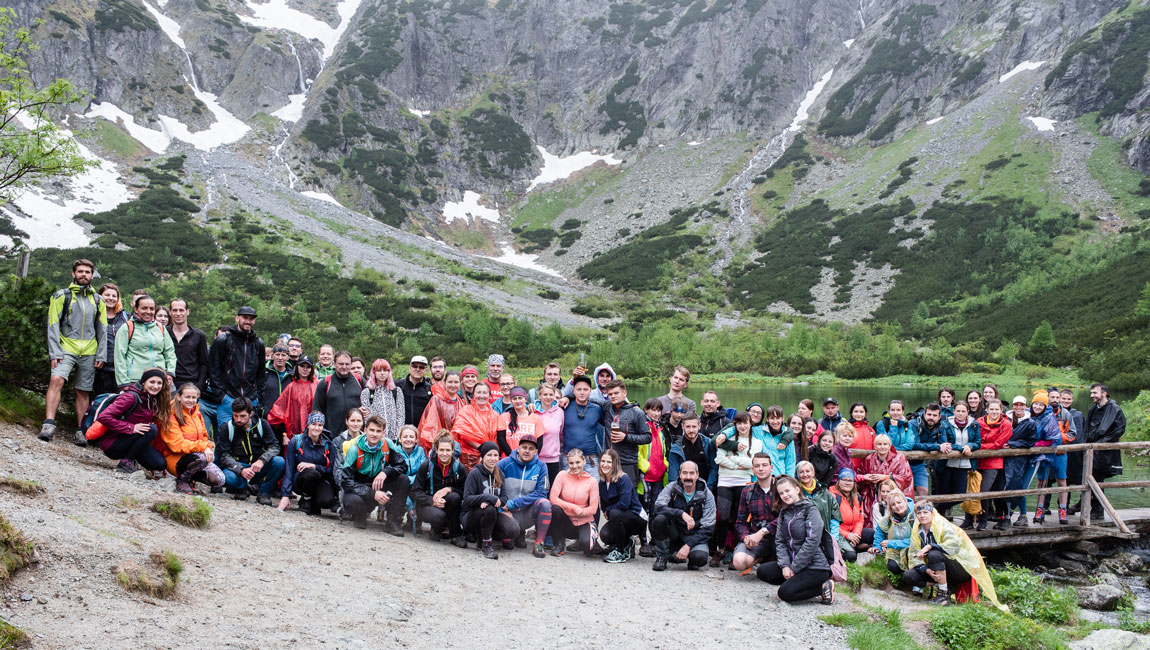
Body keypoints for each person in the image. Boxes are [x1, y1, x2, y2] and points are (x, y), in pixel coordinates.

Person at [41, 259, 108, 442]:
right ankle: (49, 423)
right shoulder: (61, 296)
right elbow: (53, 325)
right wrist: (55, 351)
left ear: (92, 275)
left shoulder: (98, 300)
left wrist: (101, 353)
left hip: (89, 349)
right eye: (80, 271)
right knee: (56, 379)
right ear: (73, 274)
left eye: (87, 272)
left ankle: (81, 430)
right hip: (66, 347)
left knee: (83, 390)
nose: (84, 275)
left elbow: (102, 329)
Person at [904, 502, 1003, 608]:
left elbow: (953, 546)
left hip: (959, 568)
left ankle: (943, 594)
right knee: (908, 576)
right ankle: (946, 585)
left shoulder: (943, 525)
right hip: (935, 568)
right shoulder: (917, 531)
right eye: (919, 513)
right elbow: (913, 555)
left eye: (925, 512)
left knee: (934, 554)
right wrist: (927, 571)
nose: (922, 515)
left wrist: (929, 546)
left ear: (932, 513)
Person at [756, 475, 834, 604]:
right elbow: (780, 541)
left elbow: (812, 542)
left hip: (815, 566)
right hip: (792, 562)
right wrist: (785, 565)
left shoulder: (810, 509)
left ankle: (823, 587)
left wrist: (794, 568)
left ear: (797, 489)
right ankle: (797, 582)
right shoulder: (784, 512)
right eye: (781, 493)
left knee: (785, 593)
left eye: (787, 491)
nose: (785, 495)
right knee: (763, 571)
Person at [336, 415, 410, 534]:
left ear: (383, 433)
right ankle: (360, 515)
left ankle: (393, 521)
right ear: (365, 430)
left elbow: (402, 466)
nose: (374, 434)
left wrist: (386, 472)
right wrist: (373, 494)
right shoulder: (354, 449)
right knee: (352, 501)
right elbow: (346, 482)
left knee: (403, 480)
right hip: (360, 488)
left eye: (378, 431)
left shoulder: (387, 445)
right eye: (371, 430)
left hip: (378, 483)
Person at [91, 367, 170, 475]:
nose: (155, 386)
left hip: (130, 439)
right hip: (113, 443)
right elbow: (104, 417)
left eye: (159, 383)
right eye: (152, 382)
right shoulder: (130, 397)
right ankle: (126, 462)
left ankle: (131, 458)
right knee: (151, 429)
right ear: (143, 382)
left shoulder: (150, 398)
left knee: (160, 464)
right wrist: (131, 428)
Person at [711, 411, 760, 566]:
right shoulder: (727, 440)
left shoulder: (757, 442)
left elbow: (753, 464)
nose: (742, 426)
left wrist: (732, 460)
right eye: (739, 423)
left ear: (751, 424)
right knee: (723, 517)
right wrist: (738, 465)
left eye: (745, 423)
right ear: (735, 425)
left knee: (740, 519)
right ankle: (720, 550)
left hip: (744, 482)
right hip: (725, 481)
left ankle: (738, 551)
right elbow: (718, 458)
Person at [216, 397, 285, 505]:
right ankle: (242, 488)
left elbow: (275, 447)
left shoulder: (262, 424)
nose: (238, 419)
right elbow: (224, 456)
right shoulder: (227, 427)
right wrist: (241, 469)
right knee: (229, 477)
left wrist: (262, 460)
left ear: (251, 414)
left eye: (242, 416)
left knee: (279, 462)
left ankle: (263, 492)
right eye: (235, 415)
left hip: (257, 466)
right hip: (238, 464)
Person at [650, 460, 715, 572]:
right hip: (674, 533)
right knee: (659, 520)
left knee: (700, 558)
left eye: (691, 473)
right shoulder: (672, 488)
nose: (688, 477)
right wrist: (681, 514)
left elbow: (708, 528)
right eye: (685, 473)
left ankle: (690, 557)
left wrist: (688, 546)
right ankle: (662, 556)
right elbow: (657, 508)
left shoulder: (706, 494)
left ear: (697, 475)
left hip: (694, 534)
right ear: (680, 474)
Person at [207, 306, 265, 429]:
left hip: (251, 399)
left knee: (249, 440)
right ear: (237, 318)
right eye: (245, 318)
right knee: (225, 438)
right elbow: (214, 368)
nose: (248, 321)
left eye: (251, 319)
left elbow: (260, 373)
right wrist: (221, 396)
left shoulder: (258, 344)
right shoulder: (224, 340)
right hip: (228, 399)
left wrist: (259, 398)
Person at [161, 382, 225, 493]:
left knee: (220, 480)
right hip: (176, 457)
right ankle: (183, 479)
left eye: (194, 397)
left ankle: (191, 476)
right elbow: (177, 444)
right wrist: (204, 448)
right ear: (179, 397)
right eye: (187, 397)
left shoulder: (197, 413)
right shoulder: (171, 414)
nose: (191, 400)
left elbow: (205, 436)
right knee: (202, 458)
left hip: (195, 455)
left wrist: (207, 447)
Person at [462, 442, 521, 559]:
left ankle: (483, 535)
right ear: (482, 457)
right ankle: (486, 544)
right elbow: (467, 499)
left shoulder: (500, 474)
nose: (493, 459)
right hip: (471, 516)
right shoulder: (475, 474)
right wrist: (488, 498)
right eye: (489, 455)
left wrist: (492, 501)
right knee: (489, 509)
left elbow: (504, 498)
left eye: (495, 455)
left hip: (492, 513)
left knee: (513, 529)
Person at [497, 435, 552, 557]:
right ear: (518, 448)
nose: (527, 451)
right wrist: (500, 509)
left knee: (545, 503)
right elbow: (493, 488)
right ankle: (513, 534)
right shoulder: (504, 463)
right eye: (524, 447)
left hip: (527, 513)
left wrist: (514, 503)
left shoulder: (541, 466)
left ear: (536, 451)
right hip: (508, 512)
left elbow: (542, 492)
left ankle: (539, 543)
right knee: (508, 545)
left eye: (531, 448)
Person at [413, 432, 469, 547]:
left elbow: (466, 492)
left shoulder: (459, 468)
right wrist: (432, 501)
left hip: (450, 506)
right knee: (439, 516)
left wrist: (450, 489)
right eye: (441, 450)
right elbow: (415, 491)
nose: (444, 454)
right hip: (428, 505)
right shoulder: (426, 466)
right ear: (436, 450)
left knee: (454, 497)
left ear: (453, 450)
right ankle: (436, 529)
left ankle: (455, 535)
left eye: (448, 450)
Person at [277, 412, 339, 515]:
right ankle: (305, 498)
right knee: (311, 474)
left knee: (327, 501)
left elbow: (330, 470)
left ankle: (312, 501)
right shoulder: (296, 441)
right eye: (313, 424)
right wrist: (285, 495)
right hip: (300, 480)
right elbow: (289, 469)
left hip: (320, 479)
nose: (316, 428)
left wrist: (314, 466)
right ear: (308, 425)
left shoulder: (328, 445)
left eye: (320, 425)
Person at [1082, 383, 1126, 521]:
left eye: (1095, 393)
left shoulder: (1114, 409)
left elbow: (1119, 430)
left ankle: (1098, 511)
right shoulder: (1093, 410)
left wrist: (1101, 444)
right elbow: (1087, 430)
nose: (1092, 395)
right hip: (1091, 451)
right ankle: (1085, 505)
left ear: (1104, 393)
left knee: (1098, 479)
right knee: (1089, 478)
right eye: (1091, 393)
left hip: (1105, 452)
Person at [113, 294, 176, 390]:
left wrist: (170, 372)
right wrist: (123, 383)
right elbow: (119, 357)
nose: (148, 312)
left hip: (159, 379)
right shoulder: (127, 327)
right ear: (136, 309)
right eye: (144, 308)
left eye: (151, 309)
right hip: (135, 380)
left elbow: (170, 352)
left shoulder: (160, 327)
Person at [1034, 388, 1075, 525]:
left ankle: (1062, 509)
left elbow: (1073, 434)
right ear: (1048, 398)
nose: (1055, 400)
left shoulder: (1066, 414)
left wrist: (1057, 438)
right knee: (1041, 480)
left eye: (1058, 397)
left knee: (1062, 481)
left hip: (1060, 453)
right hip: (1044, 453)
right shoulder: (1040, 414)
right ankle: (1040, 508)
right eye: (1052, 397)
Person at [597, 449, 645, 563]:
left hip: (637, 517)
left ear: (615, 464)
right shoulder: (602, 482)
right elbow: (603, 504)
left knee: (615, 513)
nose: (605, 464)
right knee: (605, 535)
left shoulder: (623, 479)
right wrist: (606, 510)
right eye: (603, 461)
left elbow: (624, 504)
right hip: (619, 518)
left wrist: (608, 511)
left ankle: (620, 551)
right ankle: (627, 543)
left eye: (609, 462)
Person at [549, 448, 600, 557]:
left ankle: (588, 539)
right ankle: (559, 543)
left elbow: (594, 508)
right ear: (567, 463)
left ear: (584, 461)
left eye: (578, 462)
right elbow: (553, 498)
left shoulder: (592, 481)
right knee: (555, 509)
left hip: (584, 521)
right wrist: (574, 508)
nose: (574, 466)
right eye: (571, 463)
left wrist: (581, 511)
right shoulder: (562, 475)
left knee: (588, 551)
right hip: (566, 521)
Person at [731, 452, 777, 572]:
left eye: (764, 465)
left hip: (780, 537)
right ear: (753, 469)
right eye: (757, 466)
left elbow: (787, 517)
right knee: (739, 562)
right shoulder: (747, 492)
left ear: (771, 467)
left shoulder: (781, 487)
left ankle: (771, 558)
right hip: (757, 538)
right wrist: (746, 537)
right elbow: (740, 522)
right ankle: (761, 558)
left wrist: (763, 532)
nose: (761, 469)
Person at [1001, 395, 1041, 529]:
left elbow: (1031, 441)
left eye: (1021, 405)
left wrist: (1012, 444)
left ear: (1025, 406)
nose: (1018, 407)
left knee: (1017, 486)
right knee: (1003, 486)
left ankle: (1012, 515)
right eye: (1016, 405)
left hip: (1020, 460)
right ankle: (1003, 515)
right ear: (1012, 406)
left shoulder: (1030, 423)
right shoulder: (1005, 419)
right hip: (1004, 459)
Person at [603, 380, 651, 485]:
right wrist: (568, 397)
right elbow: (588, 399)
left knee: (628, 498)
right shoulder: (607, 407)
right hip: (609, 463)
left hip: (628, 464)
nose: (613, 396)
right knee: (609, 497)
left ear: (624, 393)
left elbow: (647, 437)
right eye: (610, 394)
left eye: (616, 393)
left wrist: (626, 437)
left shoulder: (637, 412)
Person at [941, 402, 980, 523]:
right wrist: (961, 448)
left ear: (968, 412)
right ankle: (937, 519)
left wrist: (970, 445)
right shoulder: (946, 423)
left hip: (964, 465)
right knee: (943, 492)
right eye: (958, 411)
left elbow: (977, 442)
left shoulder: (974, 424)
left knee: (961, 494)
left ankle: (934, 511)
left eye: (963, 411)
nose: (960, 413)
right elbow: (945, 441)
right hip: (947, 465)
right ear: (954, 411)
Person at [976, 399, 1011, 531]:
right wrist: (980, 446)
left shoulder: (1006, 424)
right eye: (992, 409)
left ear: (1001, 410)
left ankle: (984, 521)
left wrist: (981, 447)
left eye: (997, 409)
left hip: (994, 462)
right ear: (987, 409)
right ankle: (987, 517)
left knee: (985, 492)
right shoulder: (979, 422)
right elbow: (975, 438)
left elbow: (998, 444)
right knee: (981, 490)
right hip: (978, 461)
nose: (994, 412)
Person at [266, 356, 318, 445]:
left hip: (314, 432)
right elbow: (279, 411)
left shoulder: (317, 385)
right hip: (293, 432)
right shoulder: (291, 387)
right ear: (297, 367)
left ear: (311, 369)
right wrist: (284, 434)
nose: (305, 369)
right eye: (302, 366)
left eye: (308, 367)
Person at [858, 433, 914, 514]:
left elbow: (906, 477)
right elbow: (860, 476)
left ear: (889, 446)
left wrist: (886, 477)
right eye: (879, 444)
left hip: (894, 496)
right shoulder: (869, 459)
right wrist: (868, 479)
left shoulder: (899, 458)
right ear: (875, 446)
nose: (882, 447)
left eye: (885, 444)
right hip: (873, 496)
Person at [312, 350, 365, 436]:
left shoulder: (359, 381)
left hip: (357, 434)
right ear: (334, 364)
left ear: (351, 364)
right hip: (332, 435)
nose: (344, 367)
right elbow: (317, 410)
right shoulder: (325, 383)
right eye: (341, 364)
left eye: (347, 364)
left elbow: (371, 404)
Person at [92, 283, 128, 398]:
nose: (110, 298)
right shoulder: (94, 315)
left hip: (121, 367)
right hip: (100, 366)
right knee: (101, 399)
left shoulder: (124, 317)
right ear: (100, 296)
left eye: (114, 296)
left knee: (119, 401)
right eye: (107, 295)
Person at [796, 460, 842, 549]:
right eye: (801, 472)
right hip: (806, 537)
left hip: (827, 533)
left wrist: (833, 537)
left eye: (807, 471)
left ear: (813, 473)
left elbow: (835, 515)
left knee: (850, 555)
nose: (805, 474)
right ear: (797, 474)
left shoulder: (824, 491)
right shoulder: (795, 493)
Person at [452, 382, 499, 470]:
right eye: (478, 392)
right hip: (468, 459)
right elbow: (462, 433)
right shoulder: (466, 411)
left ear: (489, 396)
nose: (481, 396)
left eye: (485, 393)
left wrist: (489, 453)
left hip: (490, 459)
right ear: (473, 395)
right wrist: (482, 449)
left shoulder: (495, 415)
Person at [562, 375, 605, 471]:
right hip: (568, 459)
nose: (582, 392)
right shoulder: (564, 407)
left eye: (585, 390)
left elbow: (612, 421)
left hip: (590, 460)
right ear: (573, 391)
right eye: (579, 389)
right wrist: (533, 405)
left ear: (590, 391)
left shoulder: (597, 409)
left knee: (593, 486)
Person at [869, 490, 916, 577]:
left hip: (915, 550)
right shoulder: (888, 519)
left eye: (899, 502)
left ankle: (916, 579)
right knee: (892, 566)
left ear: (905, 501)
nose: (897, 506)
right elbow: (879, 532)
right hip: (896, 552)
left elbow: (916, 542)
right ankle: (905, 578)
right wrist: (877, 546)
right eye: (893, 505)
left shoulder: (916, 516)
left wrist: (891, 543)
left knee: (911, 557)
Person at [166, 299, 208, 395]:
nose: (178, 313)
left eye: (181, 310)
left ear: (187, 312)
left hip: (191, 385)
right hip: (168, 383)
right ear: (170, 312)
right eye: (175, 310)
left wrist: (199, 386)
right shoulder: (164, 333)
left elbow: (204, 363)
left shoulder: (198, 335)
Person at [910, 403, 952, 497]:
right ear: (924, 414)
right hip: (905, 463)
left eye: (934, 415)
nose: (931, 418)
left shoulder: (941, 426)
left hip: (919, 464)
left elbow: (944, 444)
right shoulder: (914, 424)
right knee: (904, 494)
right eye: (929, 414)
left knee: (924, 493)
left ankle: (923, 512)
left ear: (939, 416)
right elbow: (914, 445)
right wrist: (937, 447)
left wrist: (961, 447)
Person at [830, 468, 872, 561]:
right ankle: (851, 549)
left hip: (853, 532)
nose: (847, 483)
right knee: (851, 557)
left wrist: (855, 535)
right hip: (838, 533)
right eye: (844, 479)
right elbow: (829, 523)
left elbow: (860, 519)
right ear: (838, 481)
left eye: (850, 480)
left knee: (873, 534)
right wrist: (847, 535)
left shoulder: (857, 497)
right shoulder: (832, 497)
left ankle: (853, 545)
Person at [668, 413, 715, 490]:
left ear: (699, 426)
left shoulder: (708, 444)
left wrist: (709, 487)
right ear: (683, 426)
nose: (691, 430)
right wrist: (676, 491)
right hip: (683, 488)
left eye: (694, 427)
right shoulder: (676, 448)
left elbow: (714, 468)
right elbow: (673, 475)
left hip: (705, 487)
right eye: (688, 427)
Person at [393, 424, 427, 527]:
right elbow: (397, 474)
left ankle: (415, 518)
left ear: (416, 439)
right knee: (403, 483)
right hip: (400, 485)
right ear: (399, 439)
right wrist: (410, 507)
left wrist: (410, 479)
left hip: (416, 485)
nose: (408, 439)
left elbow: (423, 472)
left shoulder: (421, 451)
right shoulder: (395, 451)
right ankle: (399, 515)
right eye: (405, 436)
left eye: (411, 437)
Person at [417, 370, 461, 451]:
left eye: (456, 382)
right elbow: (431, 427)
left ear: (460, 383)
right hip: (439, 448)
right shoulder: (437, 400)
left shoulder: (462, 403)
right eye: (450, 382)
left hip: (456, 448)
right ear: (444, 382)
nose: (453, 385)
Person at [362, 358, 405, 440]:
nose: (382, 373)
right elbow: (367, 417)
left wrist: (398, 435)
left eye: (385, 370)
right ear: (374, 373)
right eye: (379, 370)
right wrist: (376, 434)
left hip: (394, 438)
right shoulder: (367, 392)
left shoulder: (396, 391)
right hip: (375, 437)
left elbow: (401, 415)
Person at [497, 387, 545, 455]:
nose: (518, 401)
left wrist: (531, 457)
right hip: (509, 459)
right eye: (514, 399)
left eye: (520, 398)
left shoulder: (535, 418)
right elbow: (501, 439)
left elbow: (539, 442)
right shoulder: (504, 417)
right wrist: (512, 456)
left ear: (525, 399)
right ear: (511, 401)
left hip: (528, 459)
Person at [534, 384, 565, 487]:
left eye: (551, 394)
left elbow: (561, 434)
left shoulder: (560, 412)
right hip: (536, 458)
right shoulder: (533, 412)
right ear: (539, 396)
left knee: (552, 488)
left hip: (553, 459)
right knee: (537, 487)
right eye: (545, 394)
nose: (548, 397)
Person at [1062, 388, 1087, 514]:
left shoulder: (1078, 415)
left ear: (1072, 400)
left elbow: (1081, 434)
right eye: (1064, 399)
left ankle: (1081, 506)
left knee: (1075, 480)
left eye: (1068, 399)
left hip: (1075, 452)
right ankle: (1062, 506)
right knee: (1062, 480)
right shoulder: (1056, 413)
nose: (1066, 401)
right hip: (1061, 451)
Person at [399, 355, 433, 426]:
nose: (418, 369)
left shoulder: (430, 389)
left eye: (421, 367)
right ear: (410, 368)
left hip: (422, 432)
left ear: (425, 370)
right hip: (402, 433)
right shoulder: (398, 386)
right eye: (415, 366)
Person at [262, 344, 292, 414]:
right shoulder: (264, 371)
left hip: (286, 416)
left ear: (288, 357)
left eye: (283, 355)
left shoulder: (292, 375)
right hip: (268, 415)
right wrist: (262, 410)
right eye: (277, 354)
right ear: (272, 355)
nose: (280, 358)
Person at [846, 402, 875, 471]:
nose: (858, 414)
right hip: (849, 468)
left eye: (861, 412)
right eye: (856, 411)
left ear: (865, 413)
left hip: (867, 469)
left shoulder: (870, 430)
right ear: (851, 413)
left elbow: (875, 449)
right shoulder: (846, 428)